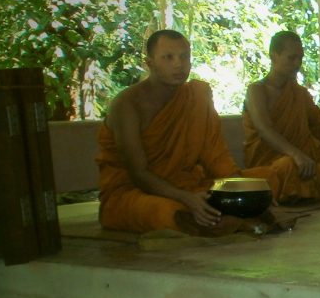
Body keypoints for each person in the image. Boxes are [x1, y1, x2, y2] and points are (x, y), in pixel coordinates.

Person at [97, 30, 280, 234]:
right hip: (133, 193)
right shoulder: (127, 104)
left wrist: (246, 192)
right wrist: (186, 199)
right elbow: (138, 173)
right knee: (168, 211)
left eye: (184, 57)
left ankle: (230, 218)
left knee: (265, 180)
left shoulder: (197, 97)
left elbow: (216, 157)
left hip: (188, 185)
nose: (178, 64)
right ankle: (232, 221)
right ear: (149, 64)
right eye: (168, 57)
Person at [243, 31, 320, 203]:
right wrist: (296, 155)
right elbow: (264, 129)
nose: (297, 64)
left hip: (301, 158)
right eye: (291, 58)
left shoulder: (299, 93)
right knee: (287, 166)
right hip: (270, 162)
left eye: (300, 58)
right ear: (274, 56)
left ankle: (303, 190)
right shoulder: (257, 90)